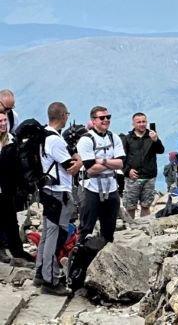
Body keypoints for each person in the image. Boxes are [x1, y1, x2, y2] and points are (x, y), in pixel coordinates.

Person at [35, 102, 83, 296]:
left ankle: (40, 272)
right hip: (58, 193)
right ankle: (51, 280)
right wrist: (80, 159)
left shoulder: (42, 135)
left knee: (47, 235)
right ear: (63, 116)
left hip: (48, 191)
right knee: (57, 237)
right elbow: (70, 166)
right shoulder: (55, 140)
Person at [77, 106, 125, 243]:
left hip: (111, 188)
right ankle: (79, 259)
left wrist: (102, 161)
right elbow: (90, 169)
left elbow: (121, 163)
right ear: (93, 120)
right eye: (102, 118)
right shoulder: (86, 140)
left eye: (108, 117)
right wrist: (110, 163)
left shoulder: (113, 137)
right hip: (91, 188)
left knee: (109, 229)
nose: (106, 120)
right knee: (86, 228)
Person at [0, 109, 32, 267]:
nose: (3, 124)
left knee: (11, 220)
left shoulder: (11, 140)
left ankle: (17, 250)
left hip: (7, 188)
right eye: (0, 122)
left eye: (4, 121)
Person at [120, 113, 164, 218]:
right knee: (130, 206)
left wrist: (156, 140)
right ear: (133, 124)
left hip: (149, 177)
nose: (141, 124)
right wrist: (127, 171)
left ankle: (144, 227)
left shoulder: (152, 136)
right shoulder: (127, 138)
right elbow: (121, 158)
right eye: (138, 122)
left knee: (146, 205)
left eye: (143, 122)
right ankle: (130, 228)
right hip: (132, 178)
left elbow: (161, 150)